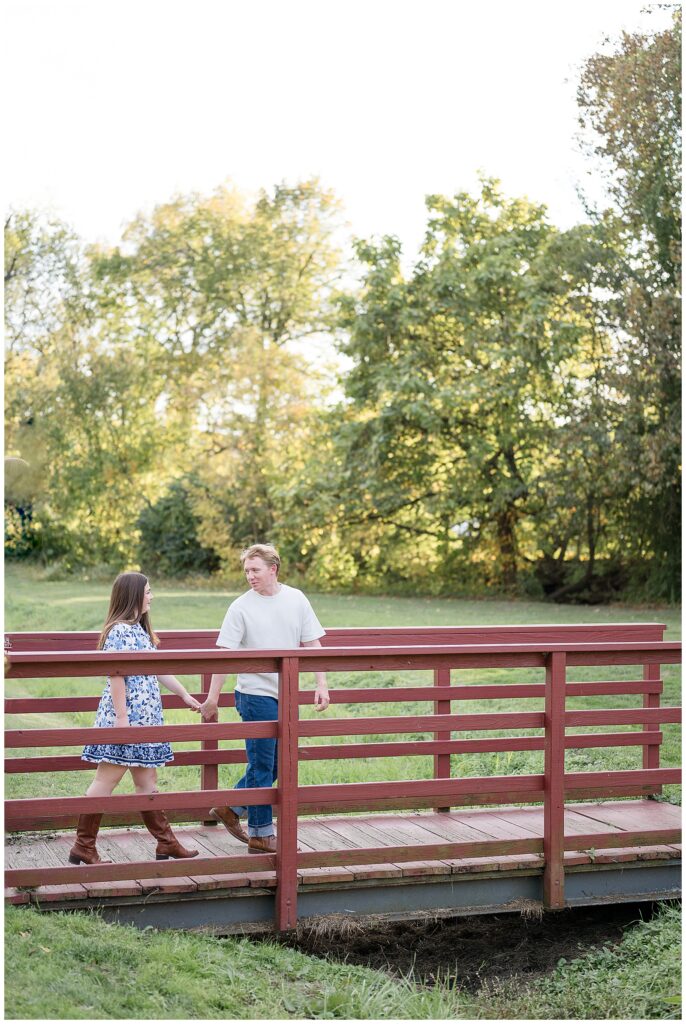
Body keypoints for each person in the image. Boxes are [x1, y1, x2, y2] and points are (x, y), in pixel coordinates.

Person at [199, 543, 329, 853]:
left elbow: (313, 643)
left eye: (255, 569)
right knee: (261, 765)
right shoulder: (241, 607)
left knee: (277, 766)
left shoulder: (296, 599)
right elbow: (224, 655)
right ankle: (260, 834)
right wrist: (212, 698)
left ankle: (231, 807)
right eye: (246, 570)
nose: (249, 576)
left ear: (273, 569)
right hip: (254, 694)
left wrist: (321, 684)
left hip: (285, 694)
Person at [69, 572, 202, 866]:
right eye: (149, 591)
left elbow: (158, 669)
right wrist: (121, 719)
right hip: (126, 719)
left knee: (147, 781)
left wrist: (184, 695)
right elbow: (116, 675)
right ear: (133, 595)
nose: (152, 596)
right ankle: (83, 845)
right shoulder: (119, 631)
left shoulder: (140, 631)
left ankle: (166, 843)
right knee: (107, 779)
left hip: (146, 721)